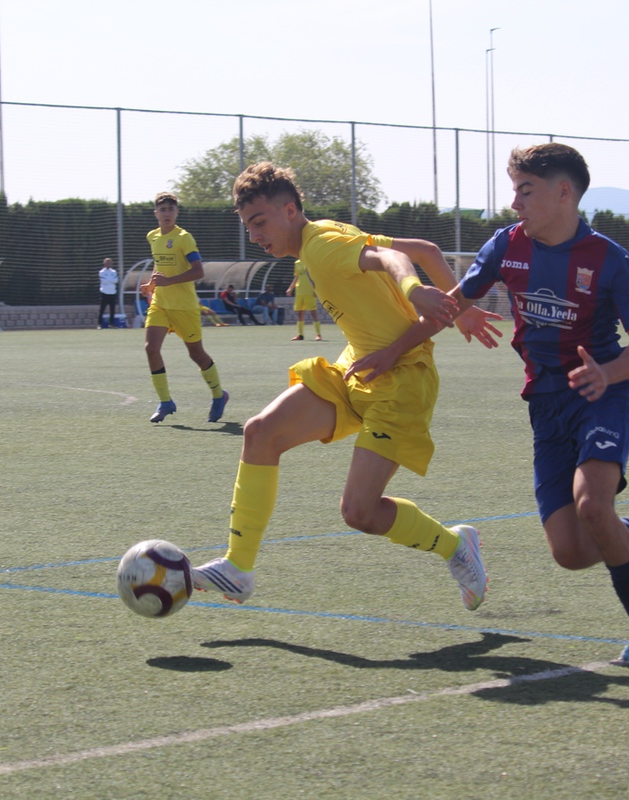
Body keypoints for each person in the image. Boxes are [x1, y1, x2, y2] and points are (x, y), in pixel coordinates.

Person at [190, 162, 501, 612]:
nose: (254, 235)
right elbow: (427, 248)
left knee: (359, 513)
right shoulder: (320, 237)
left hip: (402, 382)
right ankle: (237, 569)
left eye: (260, 222)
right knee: (260, 433)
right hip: (358, 367)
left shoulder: (323, 247)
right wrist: (462, 306)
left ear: (290, 210)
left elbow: (396, 259)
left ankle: (455, 546)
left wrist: (414, 291)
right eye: (248, 226)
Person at [439, 143, 629, 662]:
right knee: (573, 552)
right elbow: (451, 304)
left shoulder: (608, 260)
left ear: (564, 193)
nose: (514, 203)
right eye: (514, 190)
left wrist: (608, 372)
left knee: (593, 505)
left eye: (525, 191)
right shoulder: (505, 246)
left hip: (603, 394)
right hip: (545, 404)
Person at [143, 191, 229, 423]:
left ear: (176, 212)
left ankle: (219, 395)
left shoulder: (184, 238)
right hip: (161, 304)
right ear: (156, 213)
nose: (167, 213)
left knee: (196, 354)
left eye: (171, 209)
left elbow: (198, 271)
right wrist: (151, 285)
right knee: (151, 348)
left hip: (184, 307)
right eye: (163, 209)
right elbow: (159, 266)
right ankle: (165, 402)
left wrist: (169, 281)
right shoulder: (152, 236)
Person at [286, 258, 322, 340]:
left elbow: (315, 276)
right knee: (300, 312)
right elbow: (296, 277)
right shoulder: (297, 263)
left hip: (309, 290)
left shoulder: (310, 261)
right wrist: (290, 288)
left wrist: (315, 289)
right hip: (299, 291)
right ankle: (300, 334)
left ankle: (318, 334)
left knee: (313, 312)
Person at [97, 257, 119, 328]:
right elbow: (104, 281)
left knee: (112, 309)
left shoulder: (114, 272)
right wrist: (111, 280)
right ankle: (99, 324)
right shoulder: (101, 272)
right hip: (104, 292)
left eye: (109, 263)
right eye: (107, 263)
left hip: (112, 292)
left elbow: (116, 280)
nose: (108, 264)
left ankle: (111, 324)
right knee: (102, 309)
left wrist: (109, 280)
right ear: (104, 263)